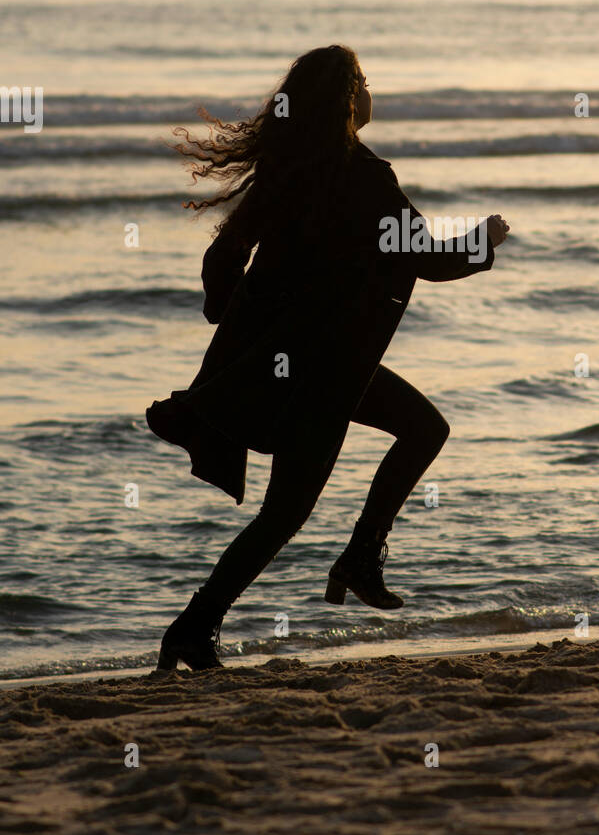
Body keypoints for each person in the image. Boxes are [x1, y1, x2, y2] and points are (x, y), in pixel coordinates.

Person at [146, 44, 509, 672]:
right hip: (327, 374)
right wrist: (485, 241)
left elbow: (221, 258)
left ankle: (208, 620)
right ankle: (344, 564)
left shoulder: (287, 173)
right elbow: (428, 256)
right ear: (346, 99)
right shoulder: (364, 178)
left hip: (299, 368)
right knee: (312, 498)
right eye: (364, 81)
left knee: (303, 502)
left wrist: (241, 330)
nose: (371, 91)